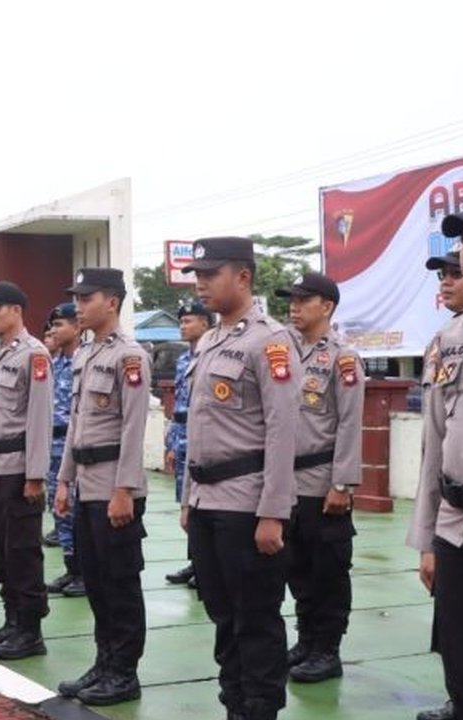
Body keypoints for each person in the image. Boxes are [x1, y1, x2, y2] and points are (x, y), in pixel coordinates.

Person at [180, 237, 301, 720]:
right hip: (209, 502)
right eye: (198, 275)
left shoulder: (270, 340)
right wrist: (190, 498)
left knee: (256, 620)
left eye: (211, 273)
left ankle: (260, 709)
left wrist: (273, 512)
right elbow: (199, 427)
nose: (201, 283)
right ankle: (235, 704)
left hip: (247, 504)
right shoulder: (209, 340)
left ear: (243, 277)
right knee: (223, 618)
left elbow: (282, 429)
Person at [53, 269, 150, 706]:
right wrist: (64, 480)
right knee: (94, 581)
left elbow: (133, 427)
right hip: (87, 486)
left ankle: (124, 673)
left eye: (86, 297)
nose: (78, 304)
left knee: (120, 583)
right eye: (76, 296)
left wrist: (125, 489)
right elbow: (76, 424)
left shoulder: (130, 356)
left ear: (111, 301)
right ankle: (105, 662)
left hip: (115, 486)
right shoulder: (85, 354)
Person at [274, 272, 364, 684]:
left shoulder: (343, 358)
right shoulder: (282, 352)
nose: (294, 305)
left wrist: (342, 483)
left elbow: (349, 423)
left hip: (322, 481)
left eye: (303, 299)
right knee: (296, 568)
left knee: (327, 570)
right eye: (291, 299)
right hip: (287, 484)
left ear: (326, 306)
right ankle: (307, 640)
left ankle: (327, 649)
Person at [410, 203, 463, 720]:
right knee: (459, 643)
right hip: (458, 523)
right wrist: (428, 539)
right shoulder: (452, 337)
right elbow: (434, 442)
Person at [0, 281, 53, 661]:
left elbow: (39, 419)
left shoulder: (34, 355)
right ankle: (12, 619)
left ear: (16, 310)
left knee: (22, 550)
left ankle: (30, 629)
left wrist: (35, 475)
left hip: (18, 468)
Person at [164, 300, 213, 589]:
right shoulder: (184, 360)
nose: (183, 326)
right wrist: (171, 443)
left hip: (203, 438)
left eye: (189, 321)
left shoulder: (210, 354)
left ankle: (204, 565)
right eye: (181, 322)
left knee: (202, 506)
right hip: (182, 437)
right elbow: (177, 407)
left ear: (205, 323)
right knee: (186, 506)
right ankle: (195, 561)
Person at [43, 302, 84, 597]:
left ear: (77, 327)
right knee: (60, 510)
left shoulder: (85, 360)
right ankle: (72, 569)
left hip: (75, 448)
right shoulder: (55, 363)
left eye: (59, 325)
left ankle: (84, 572)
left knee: (77, 510)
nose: (54, 331)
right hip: (52, 446)